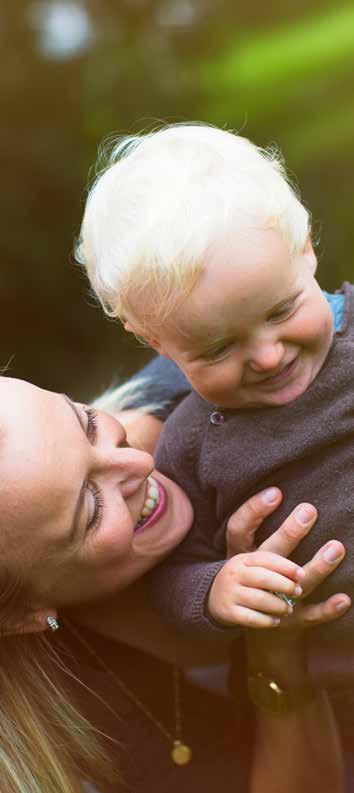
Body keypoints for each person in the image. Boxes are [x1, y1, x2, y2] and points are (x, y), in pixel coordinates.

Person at [77, 122, 354, 685]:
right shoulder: (192, 442)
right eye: (219, 347)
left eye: (281, 310)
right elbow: (172, 577)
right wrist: (215, 589)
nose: (270, 355)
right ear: (158, 343)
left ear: (306, 251)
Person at [0, 368, 349, 793]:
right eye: (90, 508)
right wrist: (274, 650)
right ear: (24, 616)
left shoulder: (214, 365)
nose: (140, 461)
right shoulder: (69, 715)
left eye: (86, 423)